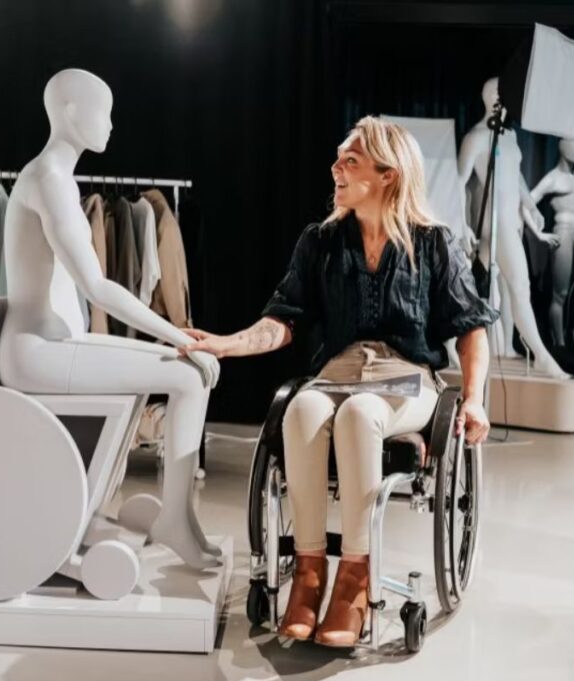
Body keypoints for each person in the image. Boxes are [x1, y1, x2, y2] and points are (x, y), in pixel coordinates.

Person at [179, 117, 497, 647]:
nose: (336, 168)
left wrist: (475, 399)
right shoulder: (321, 241)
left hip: (405, 378)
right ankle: (308, 572)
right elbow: (282, 320)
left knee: (360, 415)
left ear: (388, 174)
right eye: (338, 159)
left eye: (350, 160)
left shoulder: (432, 244)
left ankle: (355, 576)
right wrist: (228, 343)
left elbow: (471, 330)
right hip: (338, 372)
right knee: (301, 410)